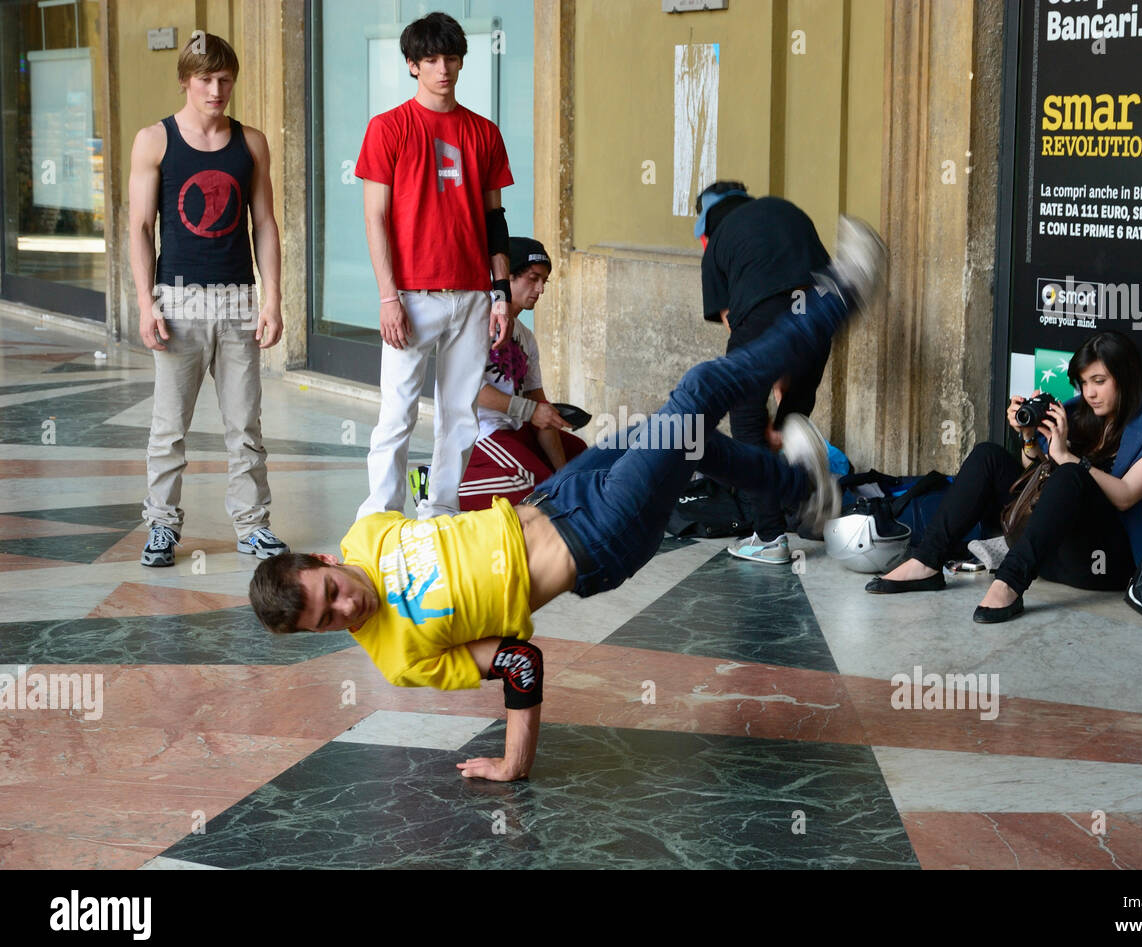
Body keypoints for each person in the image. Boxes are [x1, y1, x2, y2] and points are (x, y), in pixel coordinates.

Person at [248, 217, 886, 782]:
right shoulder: (400, 656)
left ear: (322, 560)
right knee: (694, 398)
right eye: (329, 621)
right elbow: (520, 663)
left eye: (330, 593)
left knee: (681, 437)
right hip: (598, 540)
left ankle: (802, 490)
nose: (347, 607)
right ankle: (836, 297)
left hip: (556, 498)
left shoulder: (368, 538)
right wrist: (513, 764)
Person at [866, 331, 1142, 623]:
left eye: (1099, 381)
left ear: (1127, 378)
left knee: (1071, 473)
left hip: (1102, 563)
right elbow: (1035, 476)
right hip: (1049, 548)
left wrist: (1068, 458)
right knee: (989, 455)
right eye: (1084, 383)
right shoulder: (1076, 414)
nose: (1089, 393)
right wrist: (1029, 437)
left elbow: (1126, 495)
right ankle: (926, 562)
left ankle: (1010, 584)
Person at [129, 32, 289, 567]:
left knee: (245, 424)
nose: (216, 89)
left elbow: (264, 224)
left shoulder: (252, 142)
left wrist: (272, 300)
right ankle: (162, 527)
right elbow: (139, 227)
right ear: (185, 81)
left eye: (224, 79)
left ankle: (253, 526)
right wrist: (146, 302)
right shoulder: (154, 140)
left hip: (238, 301)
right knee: (169, 427)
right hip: (177, 303)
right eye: (205, 79)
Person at [354, 11, 515, 523]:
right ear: (411, 65)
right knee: (396, 416)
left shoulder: (483, 133)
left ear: (463, 61)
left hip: (471, 294)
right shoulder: (388, 129)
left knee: (460, 416)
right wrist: (388, 297)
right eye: (430, 59)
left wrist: (502, 294)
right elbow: (375, 218)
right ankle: (380, 516)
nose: (442, 68)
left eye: (450, 58)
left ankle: (440, 512)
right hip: (411, 296)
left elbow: (495, 221)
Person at [694, 181, 832, 565]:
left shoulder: (719, 238)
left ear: (705, 223)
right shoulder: (785, 210)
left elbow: (733, 322)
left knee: (748, 421)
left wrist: (766, 376)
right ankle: (800, 458)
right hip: (820, 313)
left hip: (762, 313)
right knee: (792, 415)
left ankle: (771, 536)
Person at [455, 238, 587, 510]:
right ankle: (436, 484)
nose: (539, 289)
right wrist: (530, 411)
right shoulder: (477, 319)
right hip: (479, 433)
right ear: (509, 277)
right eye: (533, 278)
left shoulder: (526, 338)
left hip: (514, 428)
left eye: (544, 282)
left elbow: (540, 408)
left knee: (580, 458)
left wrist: (563, 476)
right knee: (533, 485)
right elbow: (469, 389)